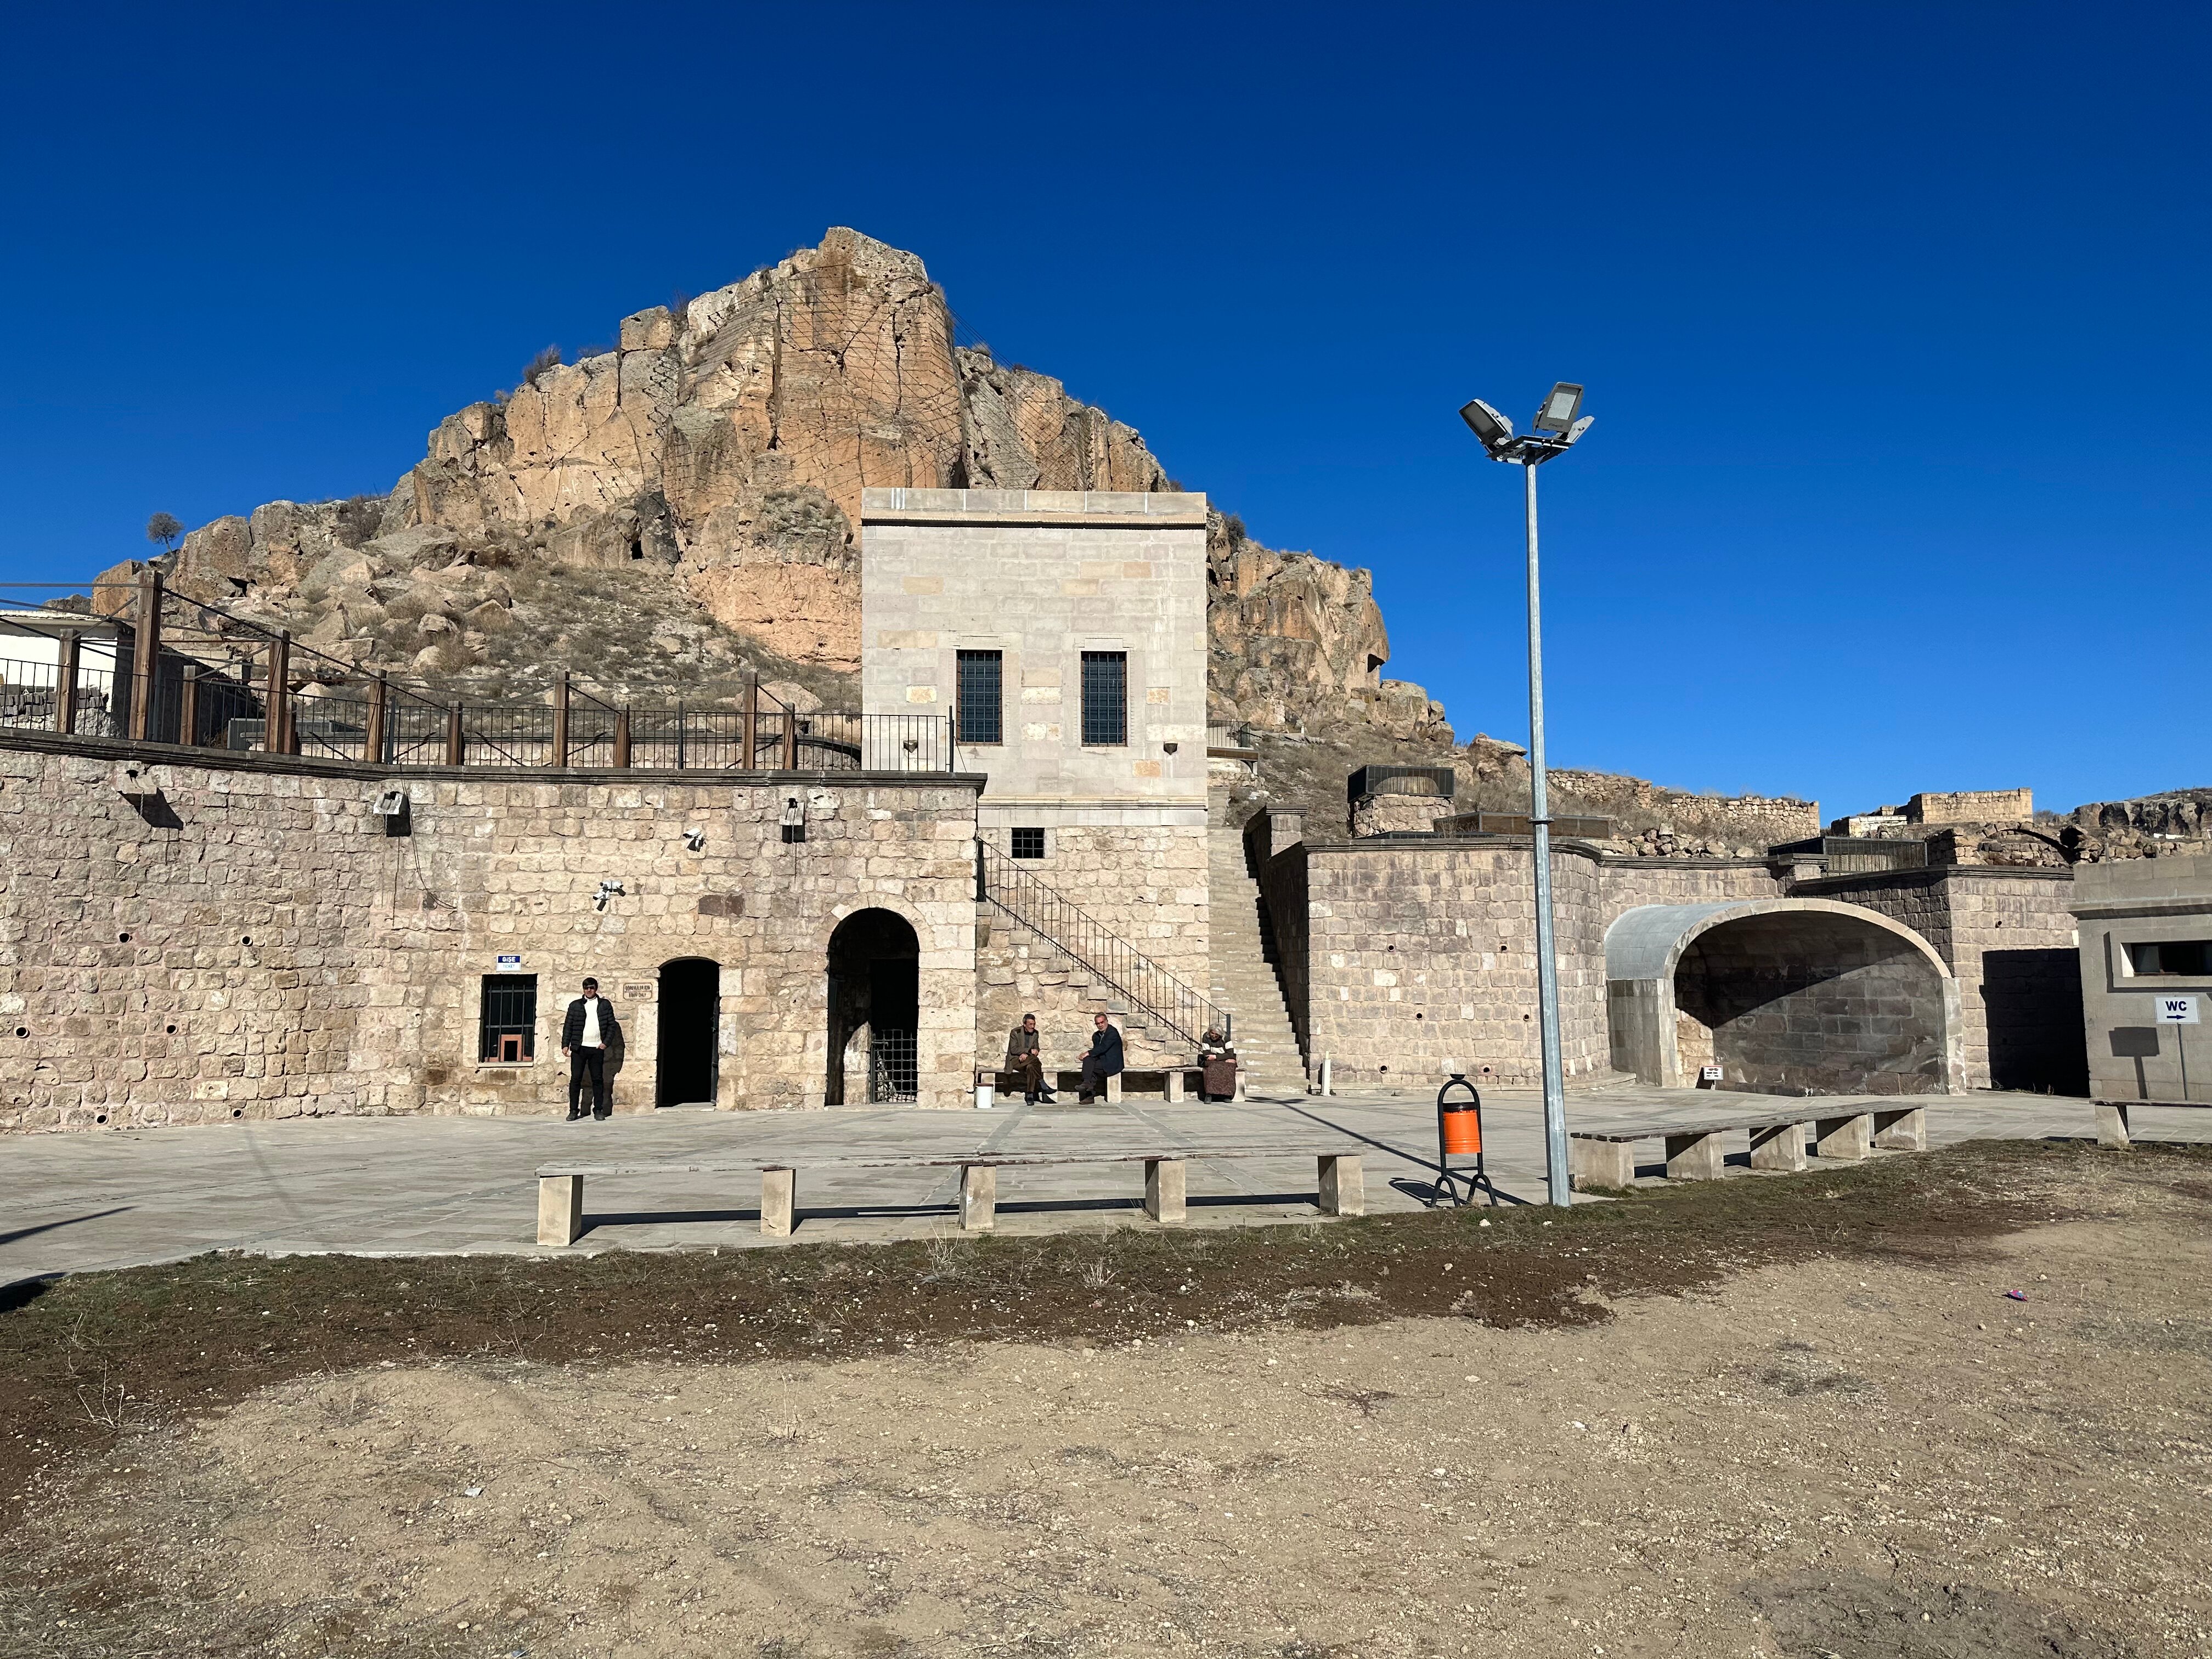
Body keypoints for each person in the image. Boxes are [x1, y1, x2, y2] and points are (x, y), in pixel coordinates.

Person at [560, 977, 623, 1121]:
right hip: (579, 1048)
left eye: (592, 988)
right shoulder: (575, 1006)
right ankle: (573, 1111)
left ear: (596, 989)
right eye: (586, 988)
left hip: (597, 1048)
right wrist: (565, 1044)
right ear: (583, 989)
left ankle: (599, 1110)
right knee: (576, 1080)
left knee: (598, 1079)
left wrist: (605, 1043)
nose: (589, 990)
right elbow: (568, 1026)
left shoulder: (604, 1005)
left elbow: (611, 1025)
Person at [1006, 1013, 1054, 1104]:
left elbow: (1036, 1049)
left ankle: (1030, 1096)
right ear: (1025, 1024)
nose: (1033, 1026)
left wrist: (1027, 1053)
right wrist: (1029, 1051)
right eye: (1030, 1024)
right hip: (1016, 1060)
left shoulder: (1035, 1033)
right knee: (1036, 1061)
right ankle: (1042, 1083)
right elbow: (1014, 1049)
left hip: (1029, 1060)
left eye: (1034, 1024)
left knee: (1031, 1067)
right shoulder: (1015, 1032)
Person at [1077, 1011, 1123, 1103]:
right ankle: (1087, 1084)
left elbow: (1103, 1048)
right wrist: (1088, 1056)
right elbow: (1096, 1051)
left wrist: (1087, 1053)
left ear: (1106, 1021)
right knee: (1089, 1061)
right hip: (1102, 1061)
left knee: (1090, 1066)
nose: (1100, 1025)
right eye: (1098, 1023)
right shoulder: (1097, 1036)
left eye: (1102, 1022)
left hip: (1112, 1063)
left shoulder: (1112, 1033)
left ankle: (1089, 1093)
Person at [1198, 1027, 1238, 1102]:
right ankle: (1209, 1095)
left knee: (1229, 1067)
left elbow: (1230, 1054)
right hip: (1211, 1059)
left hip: (1223, 1058)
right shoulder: (1206, 1037)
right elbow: (1207, 1054)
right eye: (1212, 1033)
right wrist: (1216, 1058)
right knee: (1211, 1068)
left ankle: (1226, 1095)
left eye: (1216, 1034)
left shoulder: (1226, 1037)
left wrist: (1216, 1057)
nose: (1214, 1036)